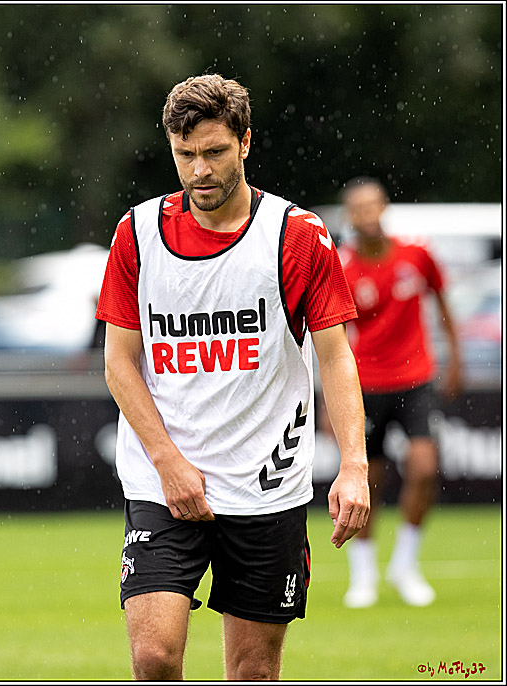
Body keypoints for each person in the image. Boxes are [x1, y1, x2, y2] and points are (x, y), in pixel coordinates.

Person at [96, 73, 370, 680]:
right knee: (153, 657)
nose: (199, 171)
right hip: (163, 482)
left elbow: (335, 356)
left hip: (266, 484)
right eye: (185, 154)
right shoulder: (136, 233)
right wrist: (168, 462)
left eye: (215, 152)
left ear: (245, 142)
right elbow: (118, 362)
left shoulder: (297, 235)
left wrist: (354, 465)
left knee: (253, 672)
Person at [337, 177, 462, 609]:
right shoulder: (343, 267)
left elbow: (443, 301)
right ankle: (364, 573)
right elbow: (332, 337)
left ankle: (405, 565)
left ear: (385, 207)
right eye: (358, 209)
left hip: (418, 377)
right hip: (365, 382)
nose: (367, 215)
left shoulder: (417, 253)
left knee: (424, 468)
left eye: (372, 206)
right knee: (367, 481)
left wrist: (456, 358)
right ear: (349, 216)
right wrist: (329, 399)